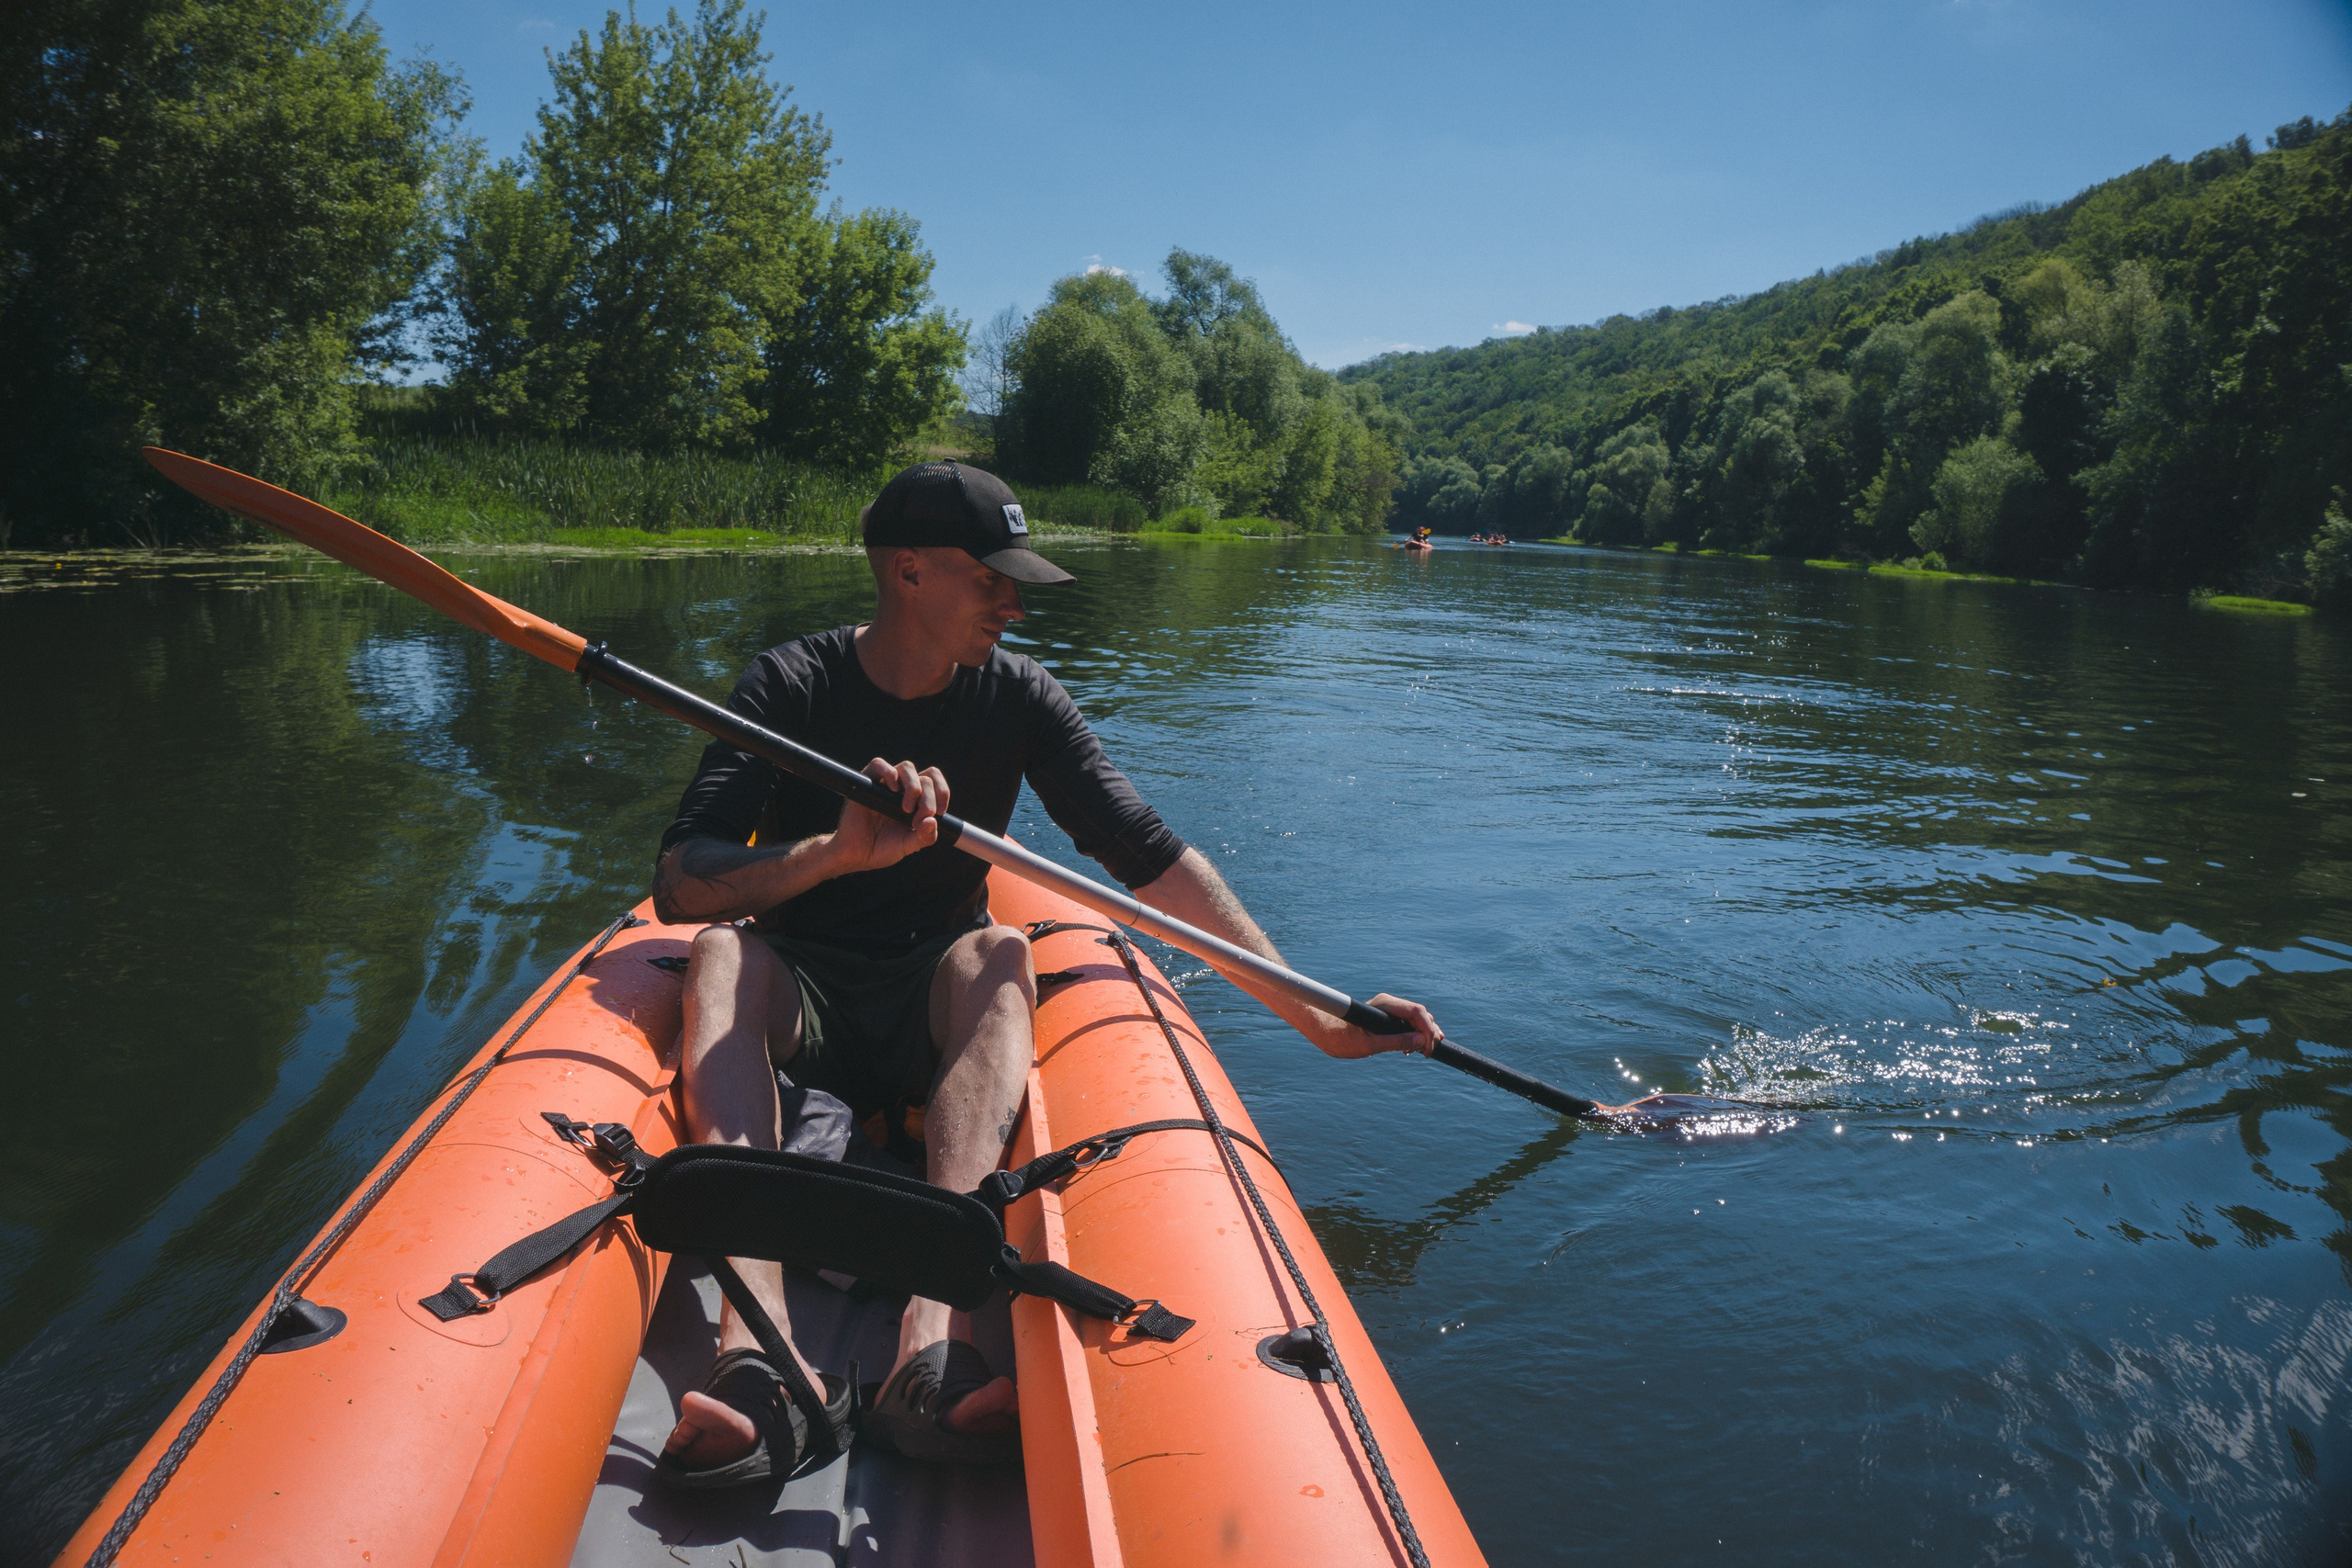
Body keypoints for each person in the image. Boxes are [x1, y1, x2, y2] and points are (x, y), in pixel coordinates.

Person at [648, 461, 1442, 1483]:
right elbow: (681, 880)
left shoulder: (1018, 695)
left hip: (934, 987)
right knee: (720, 952)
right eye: (993, 580)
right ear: (908, 573)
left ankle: (929, 1346)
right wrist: (835, 854)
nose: (1015, 604)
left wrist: (1314, 1016)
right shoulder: (791, 684)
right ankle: (754, 1351)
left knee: (1000, 947)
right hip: (802, 986)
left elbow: (1144, 850)